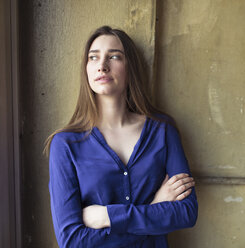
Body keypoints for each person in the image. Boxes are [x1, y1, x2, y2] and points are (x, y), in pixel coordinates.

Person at [44, 26, 198, 248]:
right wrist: (154, 208)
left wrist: (107, 216)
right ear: (86, 68)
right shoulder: (65, 144)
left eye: (114, 56)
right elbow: (72, 241)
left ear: (130, 68)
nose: (102, 66)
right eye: (93, 57)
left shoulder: (163, 131)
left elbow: (187, 212)